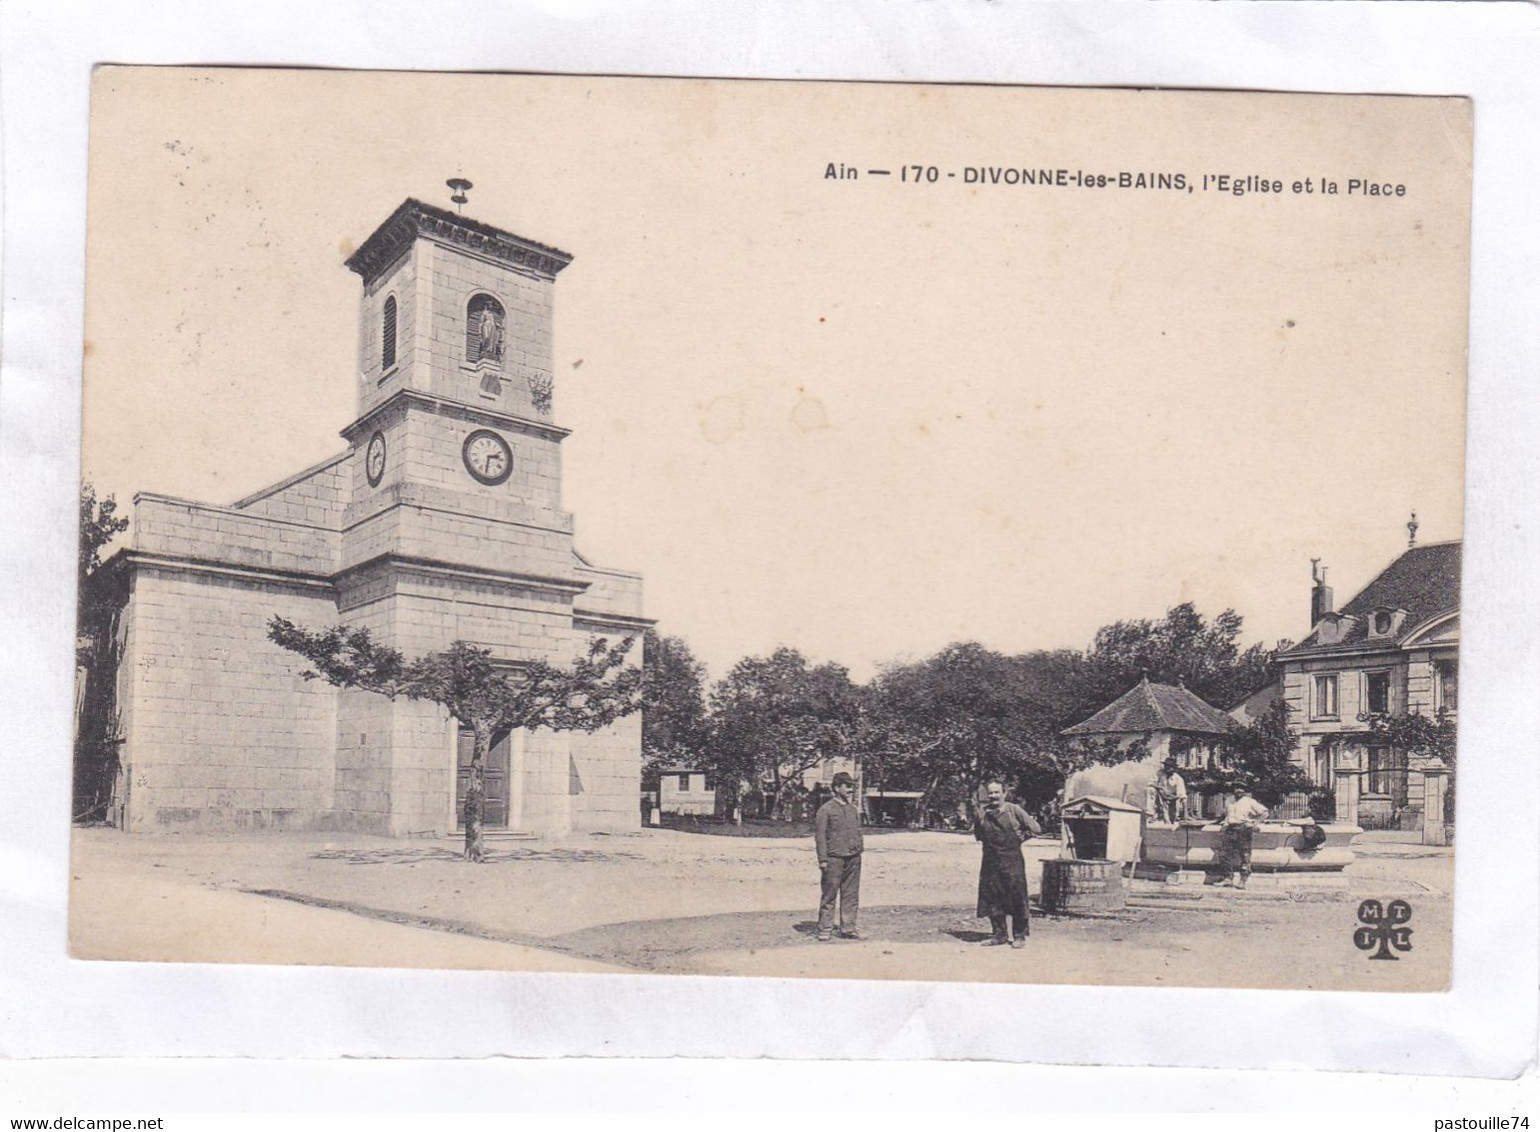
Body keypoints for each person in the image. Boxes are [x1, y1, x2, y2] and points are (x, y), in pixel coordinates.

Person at [974, 780, 1041, 948]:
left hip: (1012, 860)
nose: (993, 796)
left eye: (997, 792)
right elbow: (979, 834)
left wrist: (1019, 838)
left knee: (1016, 896)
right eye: (990, 793)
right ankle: (999, 935)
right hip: (990, 861)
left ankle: (1019, 936)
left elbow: (1036, 828)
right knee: (992, 896)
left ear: (1004, 793)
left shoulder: (1013, 810)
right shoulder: (982, 812)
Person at [813, 772, 864, 942]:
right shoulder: (825, 810)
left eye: (851, 786)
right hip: (834, 858)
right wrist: (823, 860)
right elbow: (820, 836)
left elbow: (857, 831)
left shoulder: (852, 809)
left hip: (853, 857)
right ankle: (825, 928)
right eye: (847, 786)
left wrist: (859, 849)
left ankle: (848, 928)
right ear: (836, 788)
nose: (850, 789)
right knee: (829, 894)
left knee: (851, 894)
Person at [1220, 789, 1270, 888]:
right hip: (1230, 828)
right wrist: (1224, 824)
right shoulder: (1228, 800)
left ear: (1244, 790)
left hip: (1243, 829)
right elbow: (1227, 815)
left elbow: (1265, 813)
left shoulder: (1249, 801)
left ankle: (1243, 880)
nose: (1239, 790)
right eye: (1236, 788)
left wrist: (1254, 824)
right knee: (1224, 854)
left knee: (1245, 854)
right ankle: (1228, 878)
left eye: (1241, 788)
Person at [1153, 757, 1188, 823]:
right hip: (1162, 798)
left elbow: (1183, 796)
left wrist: (1185, 813)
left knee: (1173, 818)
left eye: (1170, 766)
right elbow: (1152, 784)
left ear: (1174, 768)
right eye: (1166, 766)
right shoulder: (1160, 774)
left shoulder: (1178, 779)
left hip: (1174, 799)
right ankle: (1153, 814)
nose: (1167, 768)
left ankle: (1174, 819)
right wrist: (1162, 789)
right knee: (1151, 790)